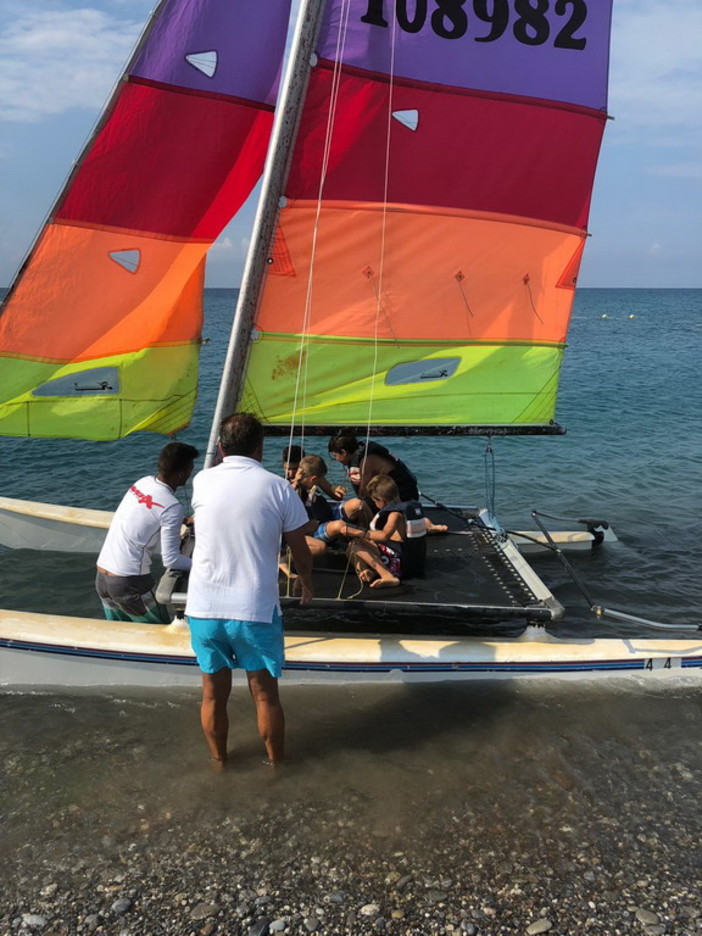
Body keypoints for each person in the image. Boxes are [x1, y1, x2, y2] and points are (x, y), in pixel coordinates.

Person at [186, 413, 313, 770]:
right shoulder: (278, 487)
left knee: (212, 695)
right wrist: (306, 578)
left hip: (204, 608)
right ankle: (277, 768)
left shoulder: (202, 480)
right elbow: (299, 547)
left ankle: (219, 762)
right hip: (254, 610)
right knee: (265, 697)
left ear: (221, 447)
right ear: (260, 448)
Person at [95, 442, 198, 623]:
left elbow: (149, 511)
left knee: (125, 637)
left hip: (102, 578)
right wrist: (204, 566)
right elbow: (171, 559)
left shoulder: (142, 483)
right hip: (130, 584)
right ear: (182, 473)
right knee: (161, 636)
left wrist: (183, 521)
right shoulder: (172, 507)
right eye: (191, 468)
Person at [327, 431, 447, 533]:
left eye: (335, 456)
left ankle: (424, 523)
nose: (336, 459)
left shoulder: (366, 461)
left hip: (403, 495)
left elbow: (363, 494)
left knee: (361, 506)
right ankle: (416, 522)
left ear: (344, 452)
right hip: (396, 494)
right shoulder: (360, 453)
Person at [344, 475, 410, 588]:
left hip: (396, 559)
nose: (375, 504)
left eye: (374, 501)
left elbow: (385, 535)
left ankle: (388, 576)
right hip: (393, 553)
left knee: (355, 545)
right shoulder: (406, 508)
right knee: (350, 548)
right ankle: (368, 572)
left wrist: (354, 531)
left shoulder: (395, 514)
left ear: (381, 500)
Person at [292, 454, 363, 556]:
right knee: (338, 525)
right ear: (314, 478)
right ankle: (365, 538)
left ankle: (370, 535)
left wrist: (335, 489)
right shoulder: (293, 491)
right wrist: (295, 484)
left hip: (328, 514)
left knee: (358, 504)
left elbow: (336, 496)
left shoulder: (314, 479)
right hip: (316, 528)